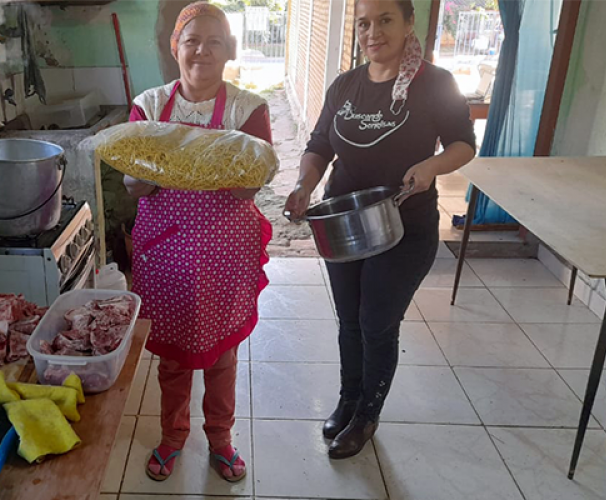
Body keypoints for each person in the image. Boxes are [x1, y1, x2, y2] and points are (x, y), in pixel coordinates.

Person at [285, 0, 476, 459]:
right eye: (365, 24)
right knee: (349, 320)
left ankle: (368, 415)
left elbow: (463, 144)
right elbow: (320, 145)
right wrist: (303, 184)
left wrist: (431, 166)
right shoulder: (345, 86)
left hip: (403, 227)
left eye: (385, 20)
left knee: (376, 322)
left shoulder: (435, 84)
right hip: (344, 225)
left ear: (409, 23)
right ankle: (349, 399)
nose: (373, 33)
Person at [124, 1, 273, 482]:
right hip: (164, 250)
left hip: (225, 249)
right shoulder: (148, 107)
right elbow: (134, 185)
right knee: (172, 354)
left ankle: (220, 437)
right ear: (175, 48)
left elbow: (249, 185)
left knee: (221, 354)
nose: (201, 51)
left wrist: (197, 164)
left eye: (213, 42)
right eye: (191, 41)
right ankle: (172, 436)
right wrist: (143, 177)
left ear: (229, 50)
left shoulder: (248, 110)